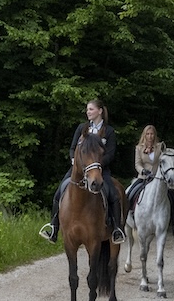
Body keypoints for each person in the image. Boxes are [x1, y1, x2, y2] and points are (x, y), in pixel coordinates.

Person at [39, 99, 126, 245]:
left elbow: (110, 154)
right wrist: (74, 160)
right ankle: (54, 227)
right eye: (87, 110)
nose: (88, 112)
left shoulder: (109, 131)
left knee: (113, 194)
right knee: (59, 192)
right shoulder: (82, 128)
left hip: (99, 170)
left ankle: (117, 228)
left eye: (91, 109)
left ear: (99, 111)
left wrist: (96, 165)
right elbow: (72, 148)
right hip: (79, 170)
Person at [125, 125, 174, 236]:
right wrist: (143, 171)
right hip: (143, 178)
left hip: (159, 179)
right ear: (144, 135)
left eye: (152, 134)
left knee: (173, 196)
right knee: (130, 193)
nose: (150, 136)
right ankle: (126, 217)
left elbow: (167, 159)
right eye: (148, 134)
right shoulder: (138, 148)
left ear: (154, 135)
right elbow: (137, 164)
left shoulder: (160, 147)